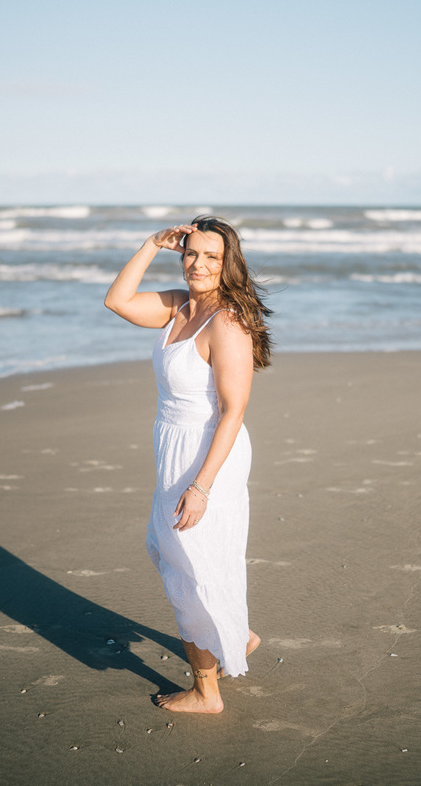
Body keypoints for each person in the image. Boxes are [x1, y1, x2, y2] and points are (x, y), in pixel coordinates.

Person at [104, 215, 272, 713]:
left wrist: (201, 486)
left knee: (188, 567)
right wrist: (150, 243)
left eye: (212, 257)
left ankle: (206, 691)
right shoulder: (180, 305)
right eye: (191, 253)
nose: (198, 264)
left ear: (229, 264)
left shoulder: (227, 321)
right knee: (174, 552)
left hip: (208, 453)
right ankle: (234, 637)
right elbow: (117, 301)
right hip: (172, 445)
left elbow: (233, 410)